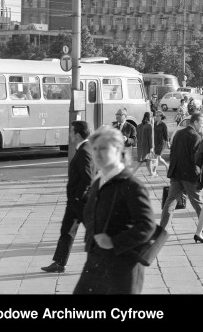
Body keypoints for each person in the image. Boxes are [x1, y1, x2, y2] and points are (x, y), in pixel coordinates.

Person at [73, 126, 156, 294]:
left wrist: (114, 242)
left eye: (103, 148)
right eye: (94, 148)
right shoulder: (99, 181)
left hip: (121, 269)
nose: (97, 153)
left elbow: (147, 226)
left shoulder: (131, 185)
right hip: (95, 263)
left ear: (118, 149)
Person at [41, 121, 94, 274]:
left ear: (77, 135)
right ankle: (59, 263)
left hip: (82, 202)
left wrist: (78, 197)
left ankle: (106, 263)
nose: (70, 135)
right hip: (75, 203)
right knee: (67, 231)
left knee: (95, 234)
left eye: (71, 132)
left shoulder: (84, 151)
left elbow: (88, 178)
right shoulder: (85, 148)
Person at [159, 113, 203, 232]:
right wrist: (201, 173)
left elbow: (172, 152)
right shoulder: (195, 136)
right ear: (195, 122)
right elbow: (196, 159)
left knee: (170, 202)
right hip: (189, 174)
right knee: (197, 200)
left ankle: (162, 229)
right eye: (202, 123)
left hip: (176, 172)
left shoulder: (178, 133)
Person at [149, 111, 170, 177]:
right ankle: (167, 165)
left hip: (162, 142)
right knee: (159, 158)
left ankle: (154, 171)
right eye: (156, 115)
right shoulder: (155, 123)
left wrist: (168, 142)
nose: (157, 117)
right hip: (156, 142)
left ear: (161, 117)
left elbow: (166, 134)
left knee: (156, 157)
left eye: (158, 116)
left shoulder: (163, 125)